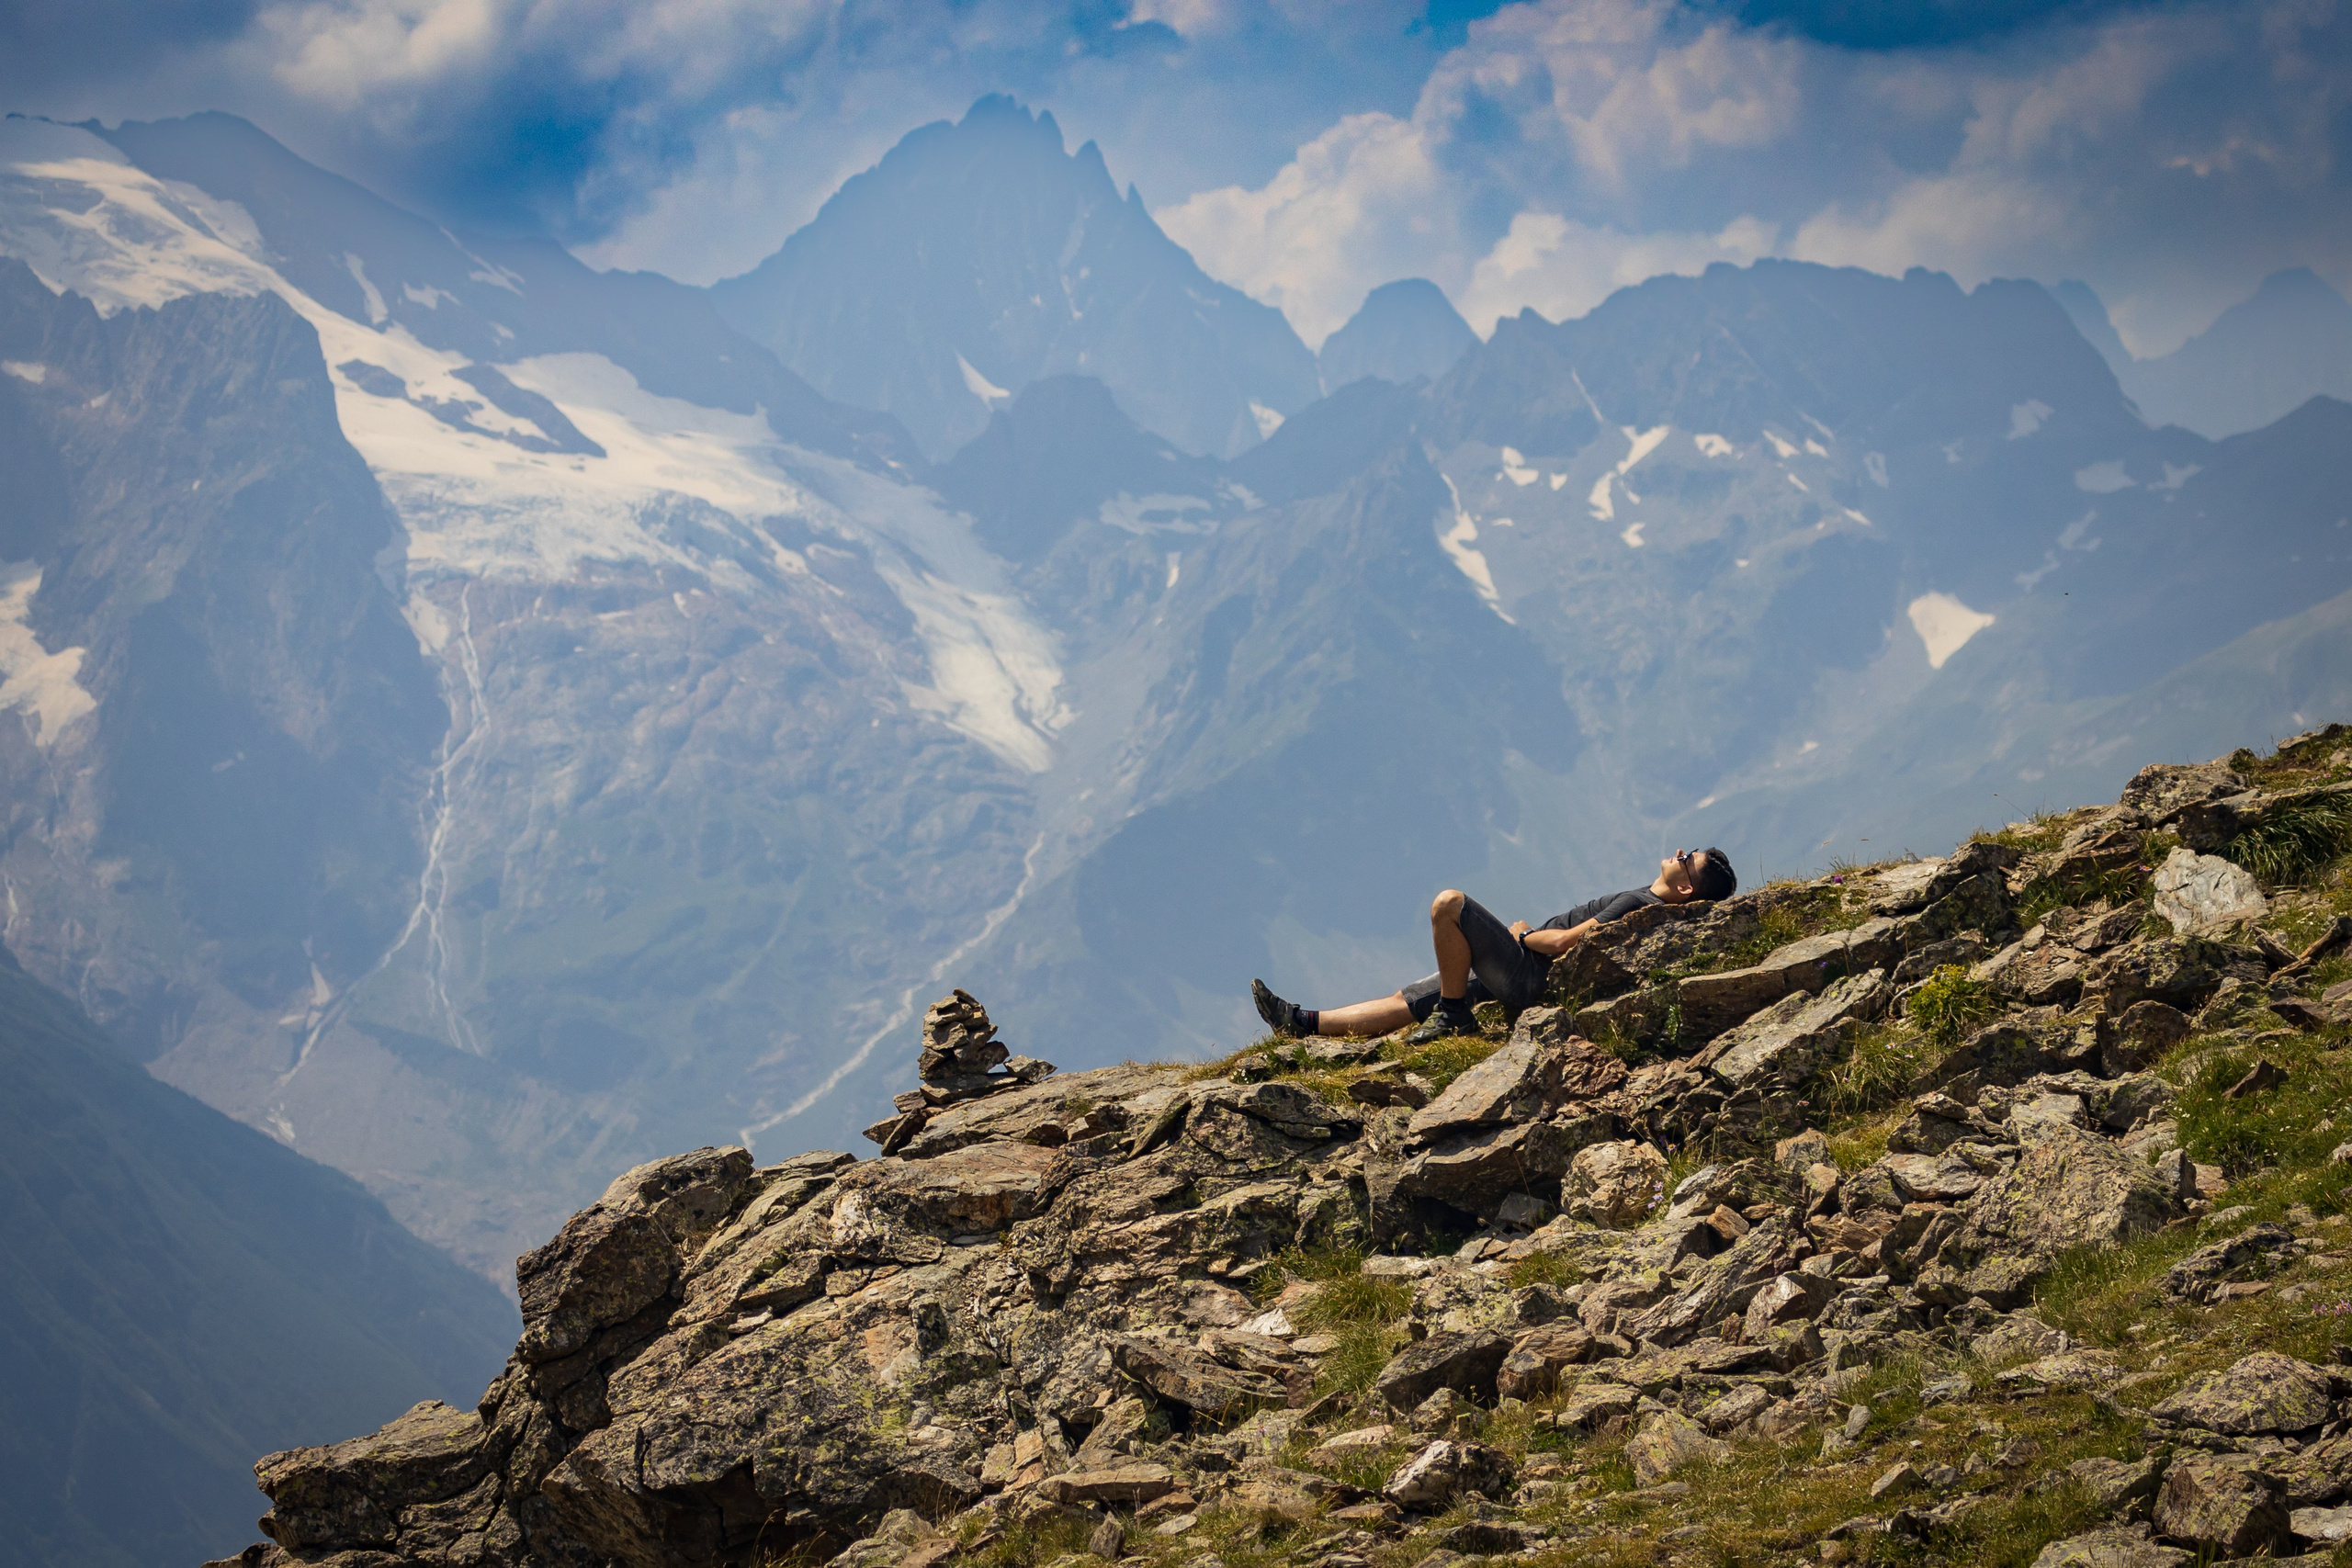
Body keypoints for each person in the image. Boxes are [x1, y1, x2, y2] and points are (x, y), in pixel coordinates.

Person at [1251, 848, 1737, 1046]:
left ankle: (1456, 1014)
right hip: (1526, 973)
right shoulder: (1654, 907)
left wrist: (1521, 935)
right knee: (1413, 1000)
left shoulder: (1641, 901)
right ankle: (1301, 1024)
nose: (1677, 853)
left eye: (1686, 859)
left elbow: (1567, 942)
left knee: (1449, 905)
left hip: (1528, 974)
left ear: (1688, 890)